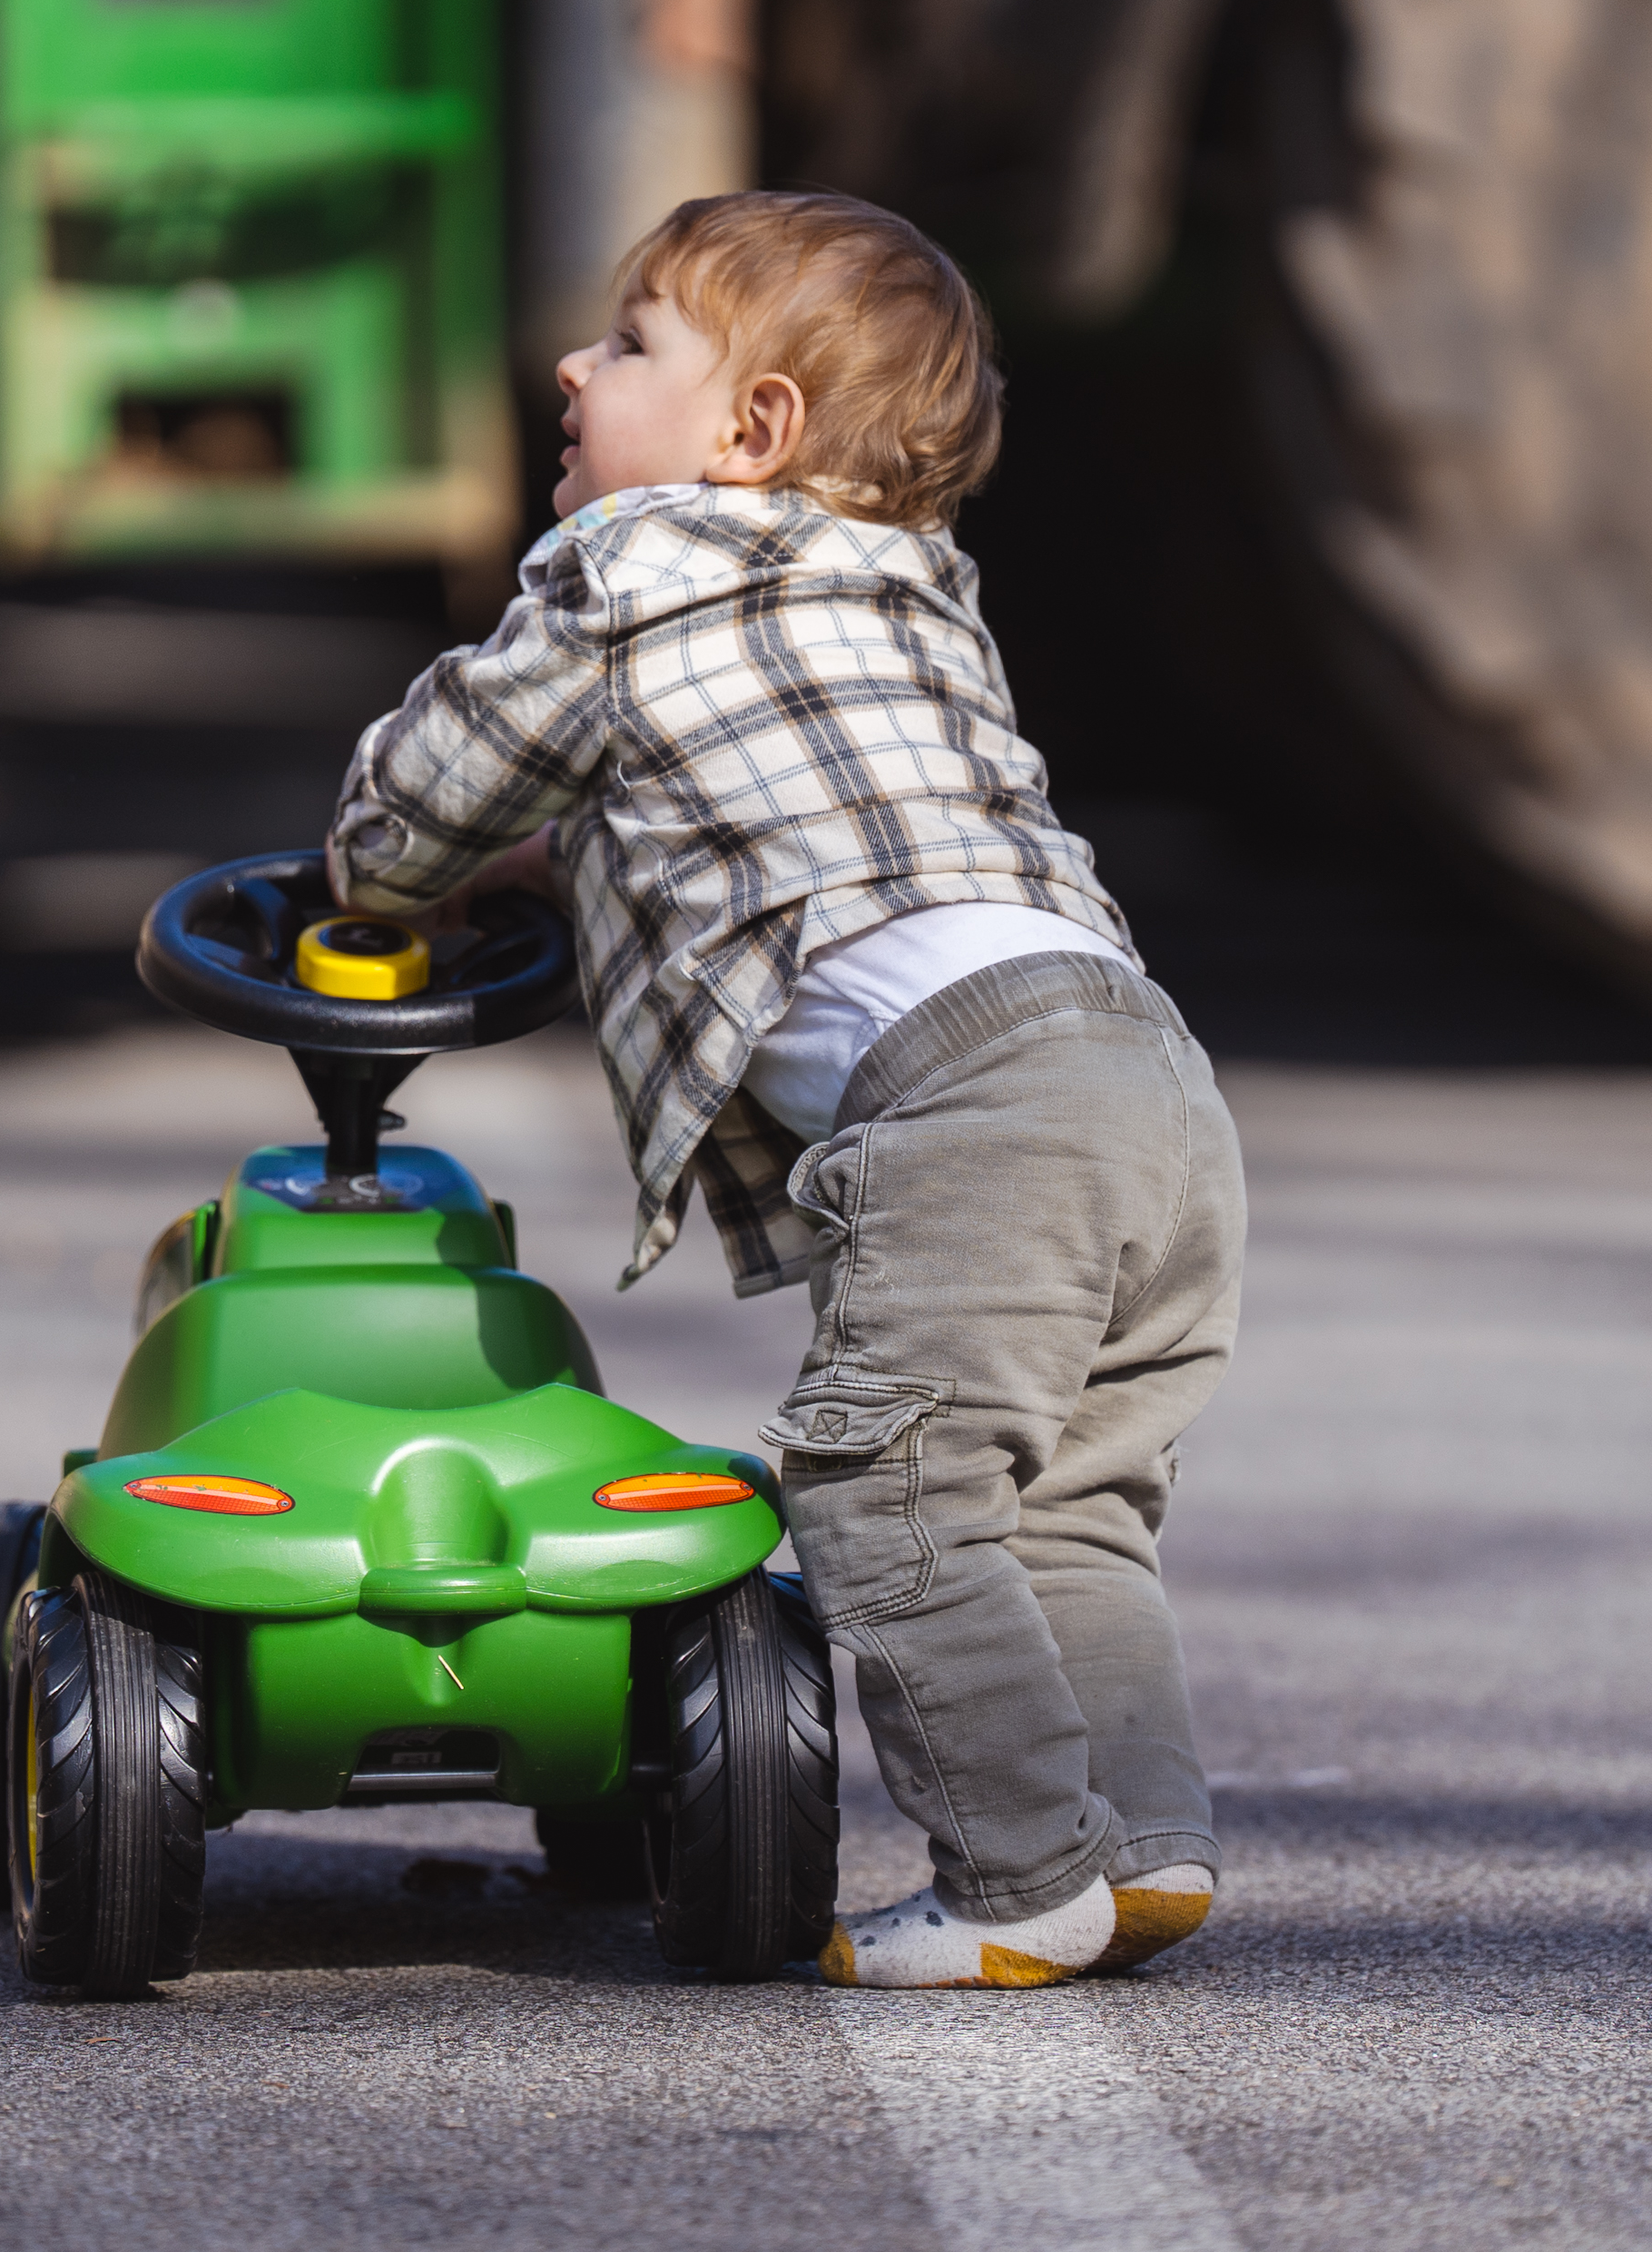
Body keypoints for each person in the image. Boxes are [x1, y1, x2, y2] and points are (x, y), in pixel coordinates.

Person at [324, 190, 1244, 1989]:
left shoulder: (624, 570)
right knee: (1066, 1499)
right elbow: (747, 813)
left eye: (630, 341)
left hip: (972, 1107)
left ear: (750, 431)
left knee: (879, 1484)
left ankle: (1011, 1878)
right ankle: (1139, 1847)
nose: (575, 366)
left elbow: (418, 805)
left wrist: (376, 875)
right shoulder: (915, 595)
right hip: (1149, 1076)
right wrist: (571, 860)